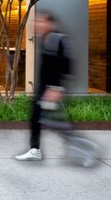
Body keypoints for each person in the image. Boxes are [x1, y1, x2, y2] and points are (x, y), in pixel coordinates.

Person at [15, 11, 72, 161]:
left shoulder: (57, 39)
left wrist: (56, 88)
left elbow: (66, 66)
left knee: (48, 120)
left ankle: (75, 145)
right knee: (39, 118)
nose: (37, 24)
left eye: (41, 22)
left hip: (51, 89)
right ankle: (35, 149)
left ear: (50, 24)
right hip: (44, 88)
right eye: (36, 22)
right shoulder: (46, 39)